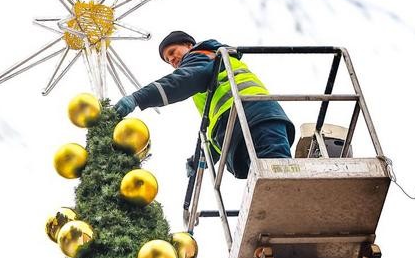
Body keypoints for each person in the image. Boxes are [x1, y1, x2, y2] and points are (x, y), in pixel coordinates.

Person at [114, 31, 295, 179]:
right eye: (168, 60)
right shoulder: (207, 70)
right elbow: (216, 120)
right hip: (242, 124)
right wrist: (202, 159)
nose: (172, 60)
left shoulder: (202, 56)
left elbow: (181, 81)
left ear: (189, 46)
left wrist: (138, 98)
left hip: (252, 116)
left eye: (172, 52)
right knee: (270, 181)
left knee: (278, 178)